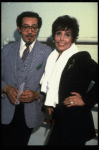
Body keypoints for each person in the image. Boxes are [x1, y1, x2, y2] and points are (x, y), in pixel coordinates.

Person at [40, 15, 98, 146]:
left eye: (67, 34)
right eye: (58, 33)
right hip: (60, 121)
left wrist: (85, 99)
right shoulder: (52, 57)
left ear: (73, 38)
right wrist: (49, 103)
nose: (61, 39)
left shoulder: (80, 58)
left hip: (75, 125)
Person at [1, 11, 52, 146]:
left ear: (38, 29)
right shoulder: (6, 50)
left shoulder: (47, 52)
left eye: (34, 27)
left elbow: (52, 84)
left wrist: (37, 95)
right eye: (25, 27)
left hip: (31, 112)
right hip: (5, 110)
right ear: (19, 28)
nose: (30, 31)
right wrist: (6, 88)